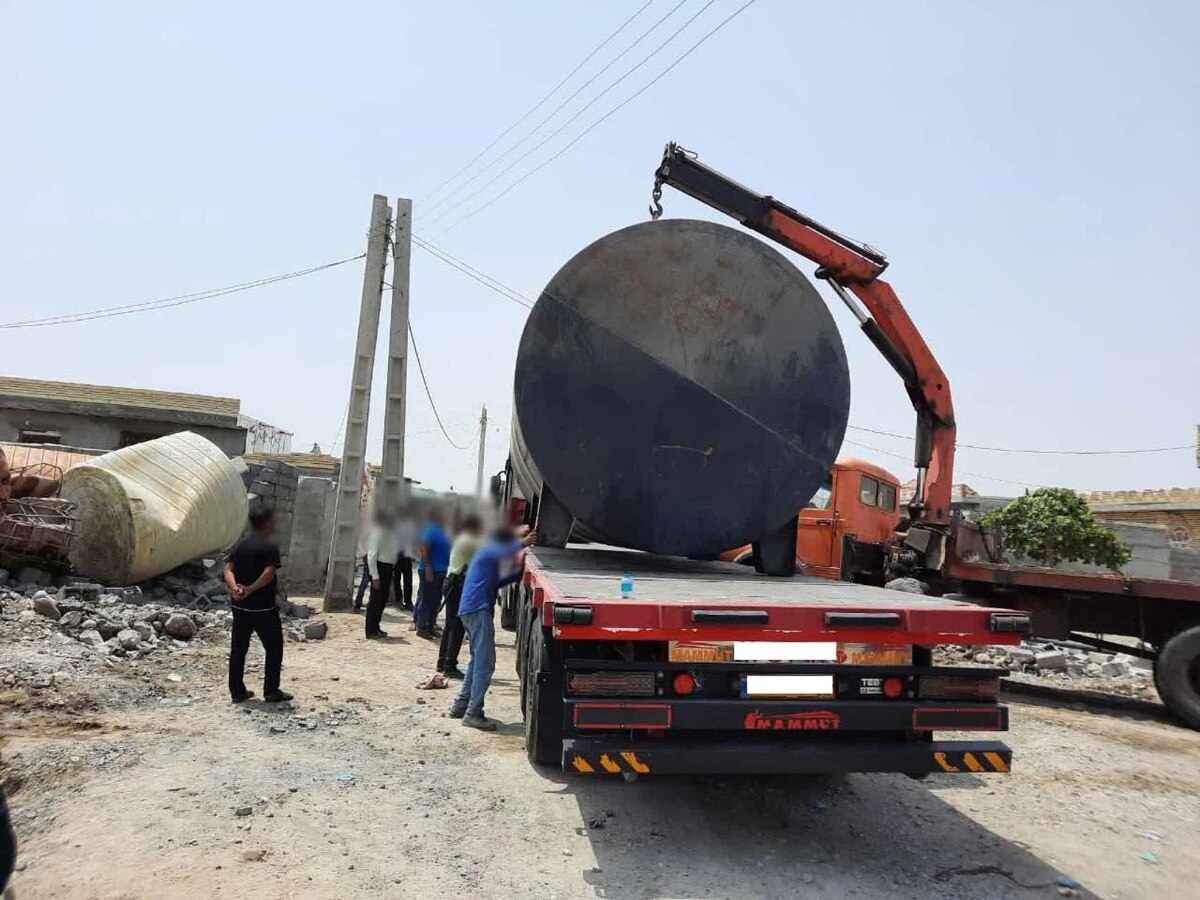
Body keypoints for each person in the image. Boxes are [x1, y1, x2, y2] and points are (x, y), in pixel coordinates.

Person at [451, 525, 537, 730]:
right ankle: (473, 713)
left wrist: (518, 575)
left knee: (476, 661)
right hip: (477, 609)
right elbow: (505, 550)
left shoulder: (485, 553)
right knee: (485, 663)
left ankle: (461, 705)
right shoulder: (489, 547)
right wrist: (524, 543)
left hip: (471, 609)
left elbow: (495, 581)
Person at [225, 509, 293, 703]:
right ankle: (271, 691)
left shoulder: (240, 545)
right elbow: (269, 573)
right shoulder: (270, 546)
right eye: (272, 522)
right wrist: (250, 589)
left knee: (238, 650)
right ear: (265, 524)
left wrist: (236, 588)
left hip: (240, 608)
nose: (275, 526)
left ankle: (237, 692)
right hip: (263, 609)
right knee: (274, 648)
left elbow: (228, 569)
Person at [437, 514, 483, 678]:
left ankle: (443, 661)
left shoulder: (463, 538)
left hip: (454, 581)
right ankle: (449, 665)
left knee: (450, 625)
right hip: (458, 584)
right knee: (457, 626)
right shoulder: (469, 541)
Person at [414, 507, 451, 639]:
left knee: (436, 600)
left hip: (440, 571)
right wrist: (429, 567)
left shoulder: (442, 531)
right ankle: (422, 628)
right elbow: (424, 550)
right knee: (427, 599)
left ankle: (430, 626)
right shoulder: (430, 530)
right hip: (430, 571)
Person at [365, 509, 402, 639]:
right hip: (380, 568)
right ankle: (370, 630)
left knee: (382, 600)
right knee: (375, 601)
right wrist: (375, 576)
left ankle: (376, 627)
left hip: (387, 568)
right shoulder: (379, 532)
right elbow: (371, 555)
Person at [393, 512, 417, 611]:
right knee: (396, 580)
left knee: (408, 580)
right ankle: (399, 600)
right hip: (396, 556)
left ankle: (408, 602)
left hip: (406, 556)